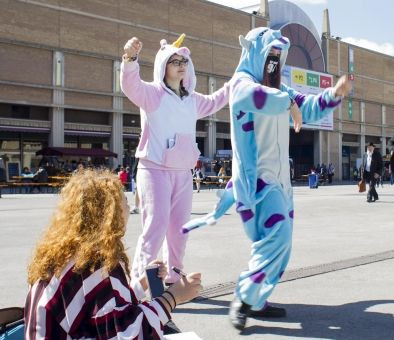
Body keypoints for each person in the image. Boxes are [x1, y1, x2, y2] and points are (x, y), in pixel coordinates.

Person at [179, 27, 351, 330]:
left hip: (281, 184)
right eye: (270, 54)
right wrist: (288, 103)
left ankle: (257, 301)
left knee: (280, 248)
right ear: (256, 53)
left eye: (279, 56)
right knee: (276, 238)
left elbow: (307, 106)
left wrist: (333, 94)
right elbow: (256, 98)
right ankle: (244, 297)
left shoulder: (281, 88)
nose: (275, 61)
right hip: (256, 184)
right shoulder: (242, 85)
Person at [24, 170, 203, 338]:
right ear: (110, 213)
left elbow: (103, 306)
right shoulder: (96, 264)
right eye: (124, 201)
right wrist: (173, 296)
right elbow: (127, 333)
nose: (129, 207)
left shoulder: (65, 253)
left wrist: (143, 283)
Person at [120, 34, 229, 286]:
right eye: (174, 61)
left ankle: (174, 275)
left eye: (183, 61)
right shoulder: (152, 94)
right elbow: (130, 85)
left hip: (182, 172)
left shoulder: (193, 99)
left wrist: (237, 83)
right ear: (163, 66)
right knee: (155, 227)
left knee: (180, 229)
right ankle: (138, 282)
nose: (181, 65)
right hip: (154, 170)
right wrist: (130, 58)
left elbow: (217, 100)